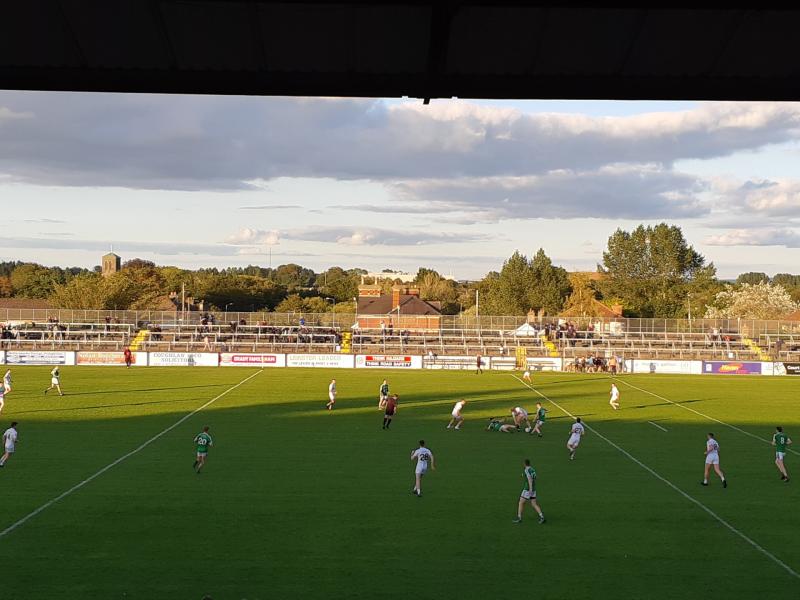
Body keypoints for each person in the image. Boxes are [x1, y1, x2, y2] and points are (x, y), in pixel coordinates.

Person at [513, 459, 545, 524]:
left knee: (521, 502)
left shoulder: (526, 470)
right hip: (533, 489)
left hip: (527, 489)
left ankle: (519, 518)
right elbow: (535, 477)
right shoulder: (532, 469)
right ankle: (542, 516)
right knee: (534, 504)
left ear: (524, 464)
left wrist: (530, 489)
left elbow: (530, 480)